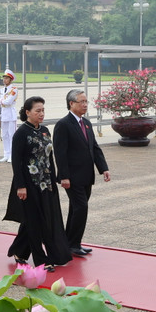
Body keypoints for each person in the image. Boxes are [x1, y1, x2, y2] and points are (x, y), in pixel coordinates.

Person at [4, 96, 71, 271]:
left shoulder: (45, 131)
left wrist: (55, 178)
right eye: (37, 111)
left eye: (43, 110)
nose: (41, 114)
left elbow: (50, 157)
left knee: (43, 219)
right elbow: (16, 162)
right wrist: (20, 186)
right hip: (29, 184)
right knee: (35, 222)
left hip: (46, 183)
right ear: (27, 112)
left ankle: (18, 250)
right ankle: (41, 259)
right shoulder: (21, 133)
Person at [53, 89, 110, 257]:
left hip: (86, 176)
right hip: (71, 176)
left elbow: (94, 147)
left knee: (76, 209)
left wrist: (103, 168)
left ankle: (70, 242)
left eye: (86, 102)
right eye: (81, 102)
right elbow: (60, 153)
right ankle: (73, 244)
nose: (85, 105)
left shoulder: (86, 123)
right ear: (71, 103)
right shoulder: (63, 125)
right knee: (81, 208)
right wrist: (64, 176)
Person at [0, 69, 18, 162]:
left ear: (10, 79)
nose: (4, 80)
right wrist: (2, 101)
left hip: (11, 113)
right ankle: (6, 154)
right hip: (3, 114)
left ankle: (12, 155)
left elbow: (8, 101)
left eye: (6, 78)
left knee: (11, 135)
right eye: (4, 78)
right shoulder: (1, 90)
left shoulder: (14, 89)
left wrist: (1, 101)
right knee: (4, 135)